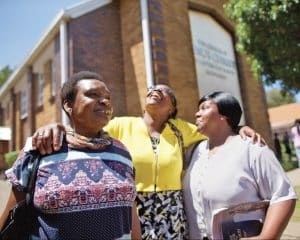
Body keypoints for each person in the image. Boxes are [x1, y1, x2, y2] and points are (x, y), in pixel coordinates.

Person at [30, 84, 263, 239]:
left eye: (164, 91)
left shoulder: (181, 128)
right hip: (133, 207)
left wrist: (241, 128)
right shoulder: (122, 124)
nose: (155, 90)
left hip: (172, 207)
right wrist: (56, 126)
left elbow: (216, 128)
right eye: (152, 88)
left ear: (172, 107)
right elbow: (84, 130)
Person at [0, 71, 141, 239]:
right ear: (68, 105)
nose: (104, 101)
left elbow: (130, 210)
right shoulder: (41, 148)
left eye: (108, 97)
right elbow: (10, 217)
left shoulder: (122, 151)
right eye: (93, 95)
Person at [182, 91, 297, 240]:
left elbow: (283, 195)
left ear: (224, 115)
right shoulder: (195, 151)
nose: (197, 114)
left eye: (204, 108)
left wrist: (266, 237)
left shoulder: (252, 148)